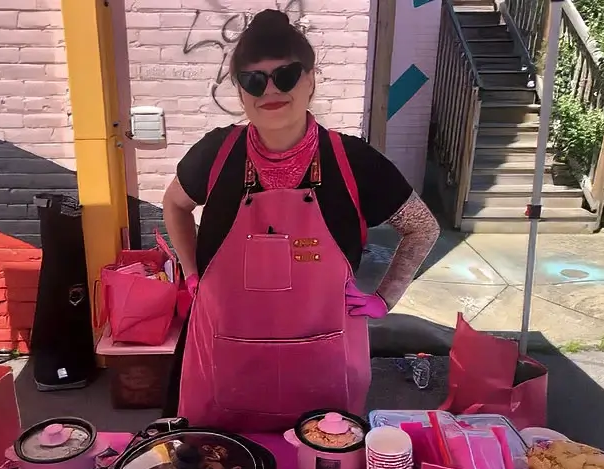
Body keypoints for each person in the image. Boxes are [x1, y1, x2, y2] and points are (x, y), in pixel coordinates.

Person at [162, 9, 440, 432]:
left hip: (323, 360)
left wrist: (385, 297)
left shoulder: (353, 160)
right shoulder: (215, 153)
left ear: (311, 79)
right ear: (239, 91)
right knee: (217, 465)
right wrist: (191, 273)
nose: (270, 89)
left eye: (286, 75)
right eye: (254, 80)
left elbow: (422, 226)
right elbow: (175, 205)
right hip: (225, 355)